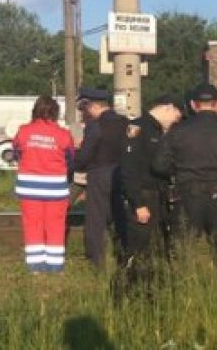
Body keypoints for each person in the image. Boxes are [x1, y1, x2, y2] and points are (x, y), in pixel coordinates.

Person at [152, 82, 217, 294]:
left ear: (192, 104)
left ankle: (182, 292)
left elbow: (158, 165)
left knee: (182, 250)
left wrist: (179, 171)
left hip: (187, 196)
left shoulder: (178, 131)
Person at [119, 95, 183, 289]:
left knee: (156, 247)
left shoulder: (158, 130)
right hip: (143, 197)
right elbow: (128, 169)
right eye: (176, 117)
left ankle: (151, 286)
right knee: (138, 246)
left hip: (158, 196)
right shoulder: (138, 128)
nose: (175, 121)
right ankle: (127, 287)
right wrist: (137, 203)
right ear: (168, 107)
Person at [13, 95, 75, 273]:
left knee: (32, 224)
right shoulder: (63, 135)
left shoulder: (23, 131)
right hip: (56, 188)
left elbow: (16, 153)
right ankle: (55, 266)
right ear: (56, 113)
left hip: (29, 187)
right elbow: (71, 159)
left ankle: (35, 266)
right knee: (56, 225)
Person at [74, 87, 129, 268]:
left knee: (96, 221)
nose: (84, 112)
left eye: (84, 108)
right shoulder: (124, 122)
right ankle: (124, 256)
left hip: (99, 175)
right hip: (122, 173)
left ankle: (96, 262)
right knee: (120, 216)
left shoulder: (95, 126)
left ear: (93, 106)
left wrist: (74, 163)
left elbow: (85, 156)